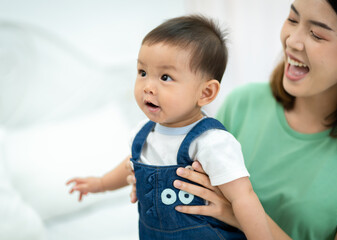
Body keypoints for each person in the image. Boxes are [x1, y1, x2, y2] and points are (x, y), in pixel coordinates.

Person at [125, 0, 337, 239]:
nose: (292, 41)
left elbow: (235, 199)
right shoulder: (242, 104)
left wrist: (236, 214)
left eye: (317, 34)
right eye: (292, 19)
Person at [66, 15, 273, 240]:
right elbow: (130, 165)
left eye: (165, 77)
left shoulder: (210, 142)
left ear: (206, 93)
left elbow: (244, 199)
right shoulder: (143, 135)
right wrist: (101, 183)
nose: (148, 87)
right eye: (142, 72)